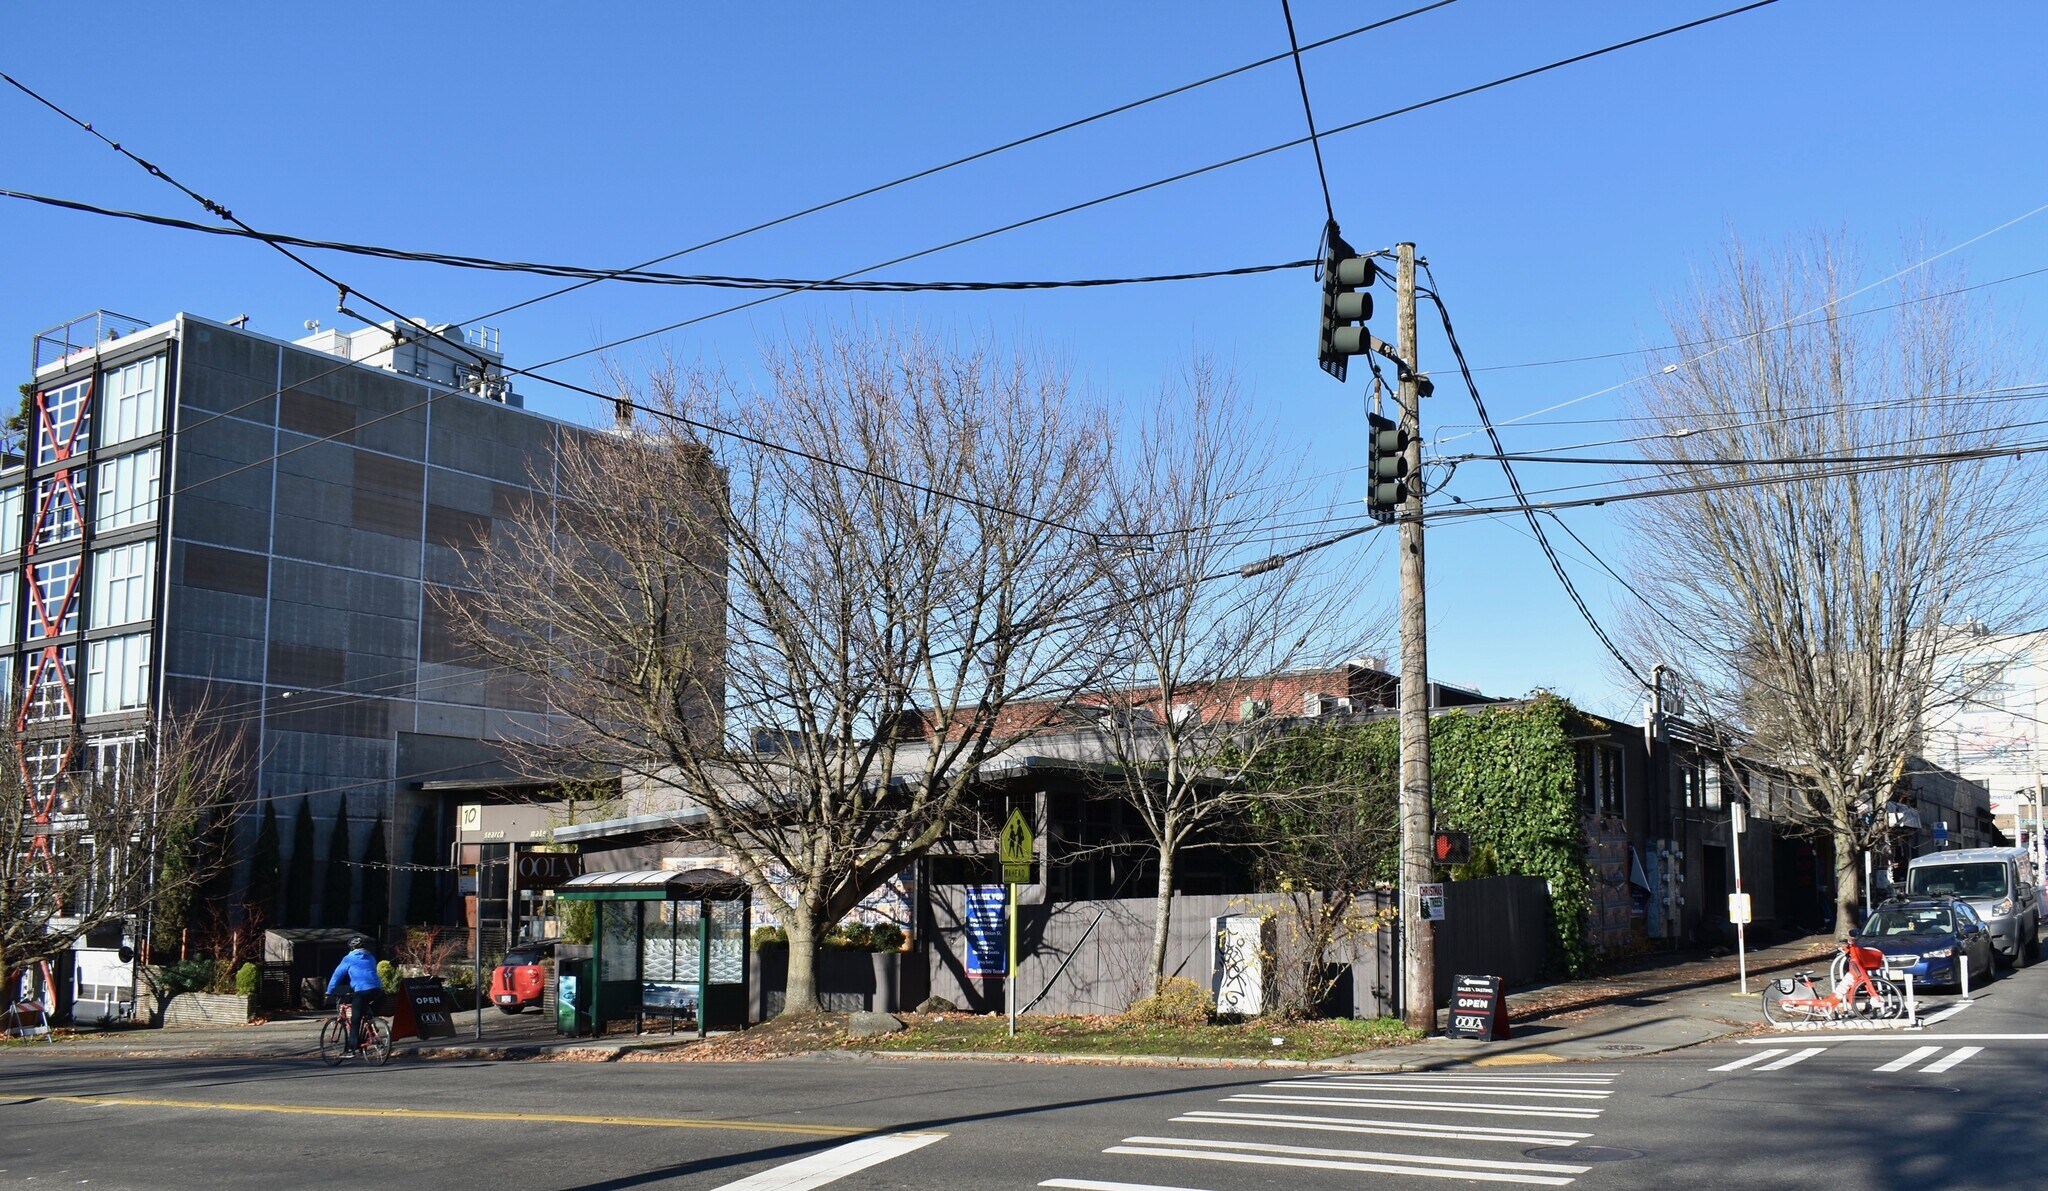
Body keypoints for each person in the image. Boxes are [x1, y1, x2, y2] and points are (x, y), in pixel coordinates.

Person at [325, 936, 383, 1051]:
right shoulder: (370, 957)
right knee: (366, 1011)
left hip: (362, 990)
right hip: (378, 990)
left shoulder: (348, 959)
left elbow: (337, 976)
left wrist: (329, 991)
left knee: (355, 1019)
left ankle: (353, 1046)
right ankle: (371, 1027)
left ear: (351, 947)